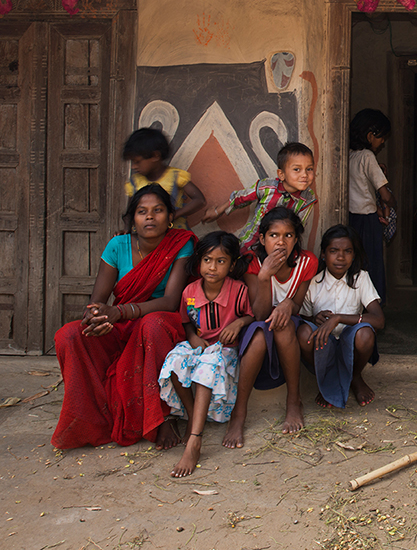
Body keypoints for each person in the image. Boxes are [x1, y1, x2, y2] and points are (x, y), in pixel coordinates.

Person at [52, 185, 197, 449]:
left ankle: (161, 418)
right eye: (142, 212)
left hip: (160, 321)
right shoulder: (117, 246)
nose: (150, 217)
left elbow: (171, 301)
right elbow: (98, 300)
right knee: (69, 335)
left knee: (151, 326)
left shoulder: (181, 243)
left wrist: (119, 312)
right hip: (121, 323)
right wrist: (95, 317)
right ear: (133, 219)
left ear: (170, 216)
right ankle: (93, 417)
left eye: (158, 211)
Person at [158, 232, 253, 477]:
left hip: (223, 352)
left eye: (221, 261)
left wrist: (238, 324)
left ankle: (195, 440)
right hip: (198, 345)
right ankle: (192, 416)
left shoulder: (238, 290)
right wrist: (191, 336)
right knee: (174, 361)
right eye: (208, 260)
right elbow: (185, 321)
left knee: (207, 365)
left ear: (232, 265)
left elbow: (250, 315)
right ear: (199, 261)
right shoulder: (189, 291)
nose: (212, 267)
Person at [223, 208, 317, 447]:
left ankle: (293, 401)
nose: (281, 242)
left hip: (289, 322)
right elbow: (260, 314)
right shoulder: (252, 264)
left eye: (288, 235)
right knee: (259, 335)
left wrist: (287, 304)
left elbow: (297, 304)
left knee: (283, 326)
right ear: (262, 239)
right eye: (274, 235)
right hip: (258, 322)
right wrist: (264, 276)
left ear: (296, 239)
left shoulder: (307, 262)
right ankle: (239, 413)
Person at [298, 225, 384, 408]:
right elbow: (302, 319)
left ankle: (354, 376)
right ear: (323, 254)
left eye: (347, 251)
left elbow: (379, 320)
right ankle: (327, 379)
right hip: (324, 344)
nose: (340, 257)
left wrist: (338, 318)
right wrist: (315, 320)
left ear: (353, 255)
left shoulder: (360, 278)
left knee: (366, 334)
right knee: (303, 333)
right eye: (333, 251)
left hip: (350, 342)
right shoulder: (314, 282)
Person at [202, 141, 317, 249]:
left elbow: (298, 226)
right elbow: (240, 198)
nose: (305, 175)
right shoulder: (267, 187)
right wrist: (218, 211)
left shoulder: (308, 198)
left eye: (309, 169)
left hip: (280, 247)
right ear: (281, 174)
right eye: (297, 169)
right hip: (250, 243)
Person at [348, 109, 395, 304]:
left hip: (352, 219)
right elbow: (384, 193)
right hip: (368, 221)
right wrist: (392, 203)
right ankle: (373, 307)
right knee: (372, 264)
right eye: (381, 137)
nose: (382, 142)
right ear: (370, 136)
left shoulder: (349, 155)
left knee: (356, 265)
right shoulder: (368, 156)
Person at [123, 127, 206, 230]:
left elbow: (200, 200)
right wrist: (127, 232)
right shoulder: (134, 182)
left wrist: (173, 215)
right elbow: (130, 212)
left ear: (155, 156)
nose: (133, 167)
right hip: (146, 238)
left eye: (137, 162)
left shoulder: (175, 176)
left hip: (175, 235)